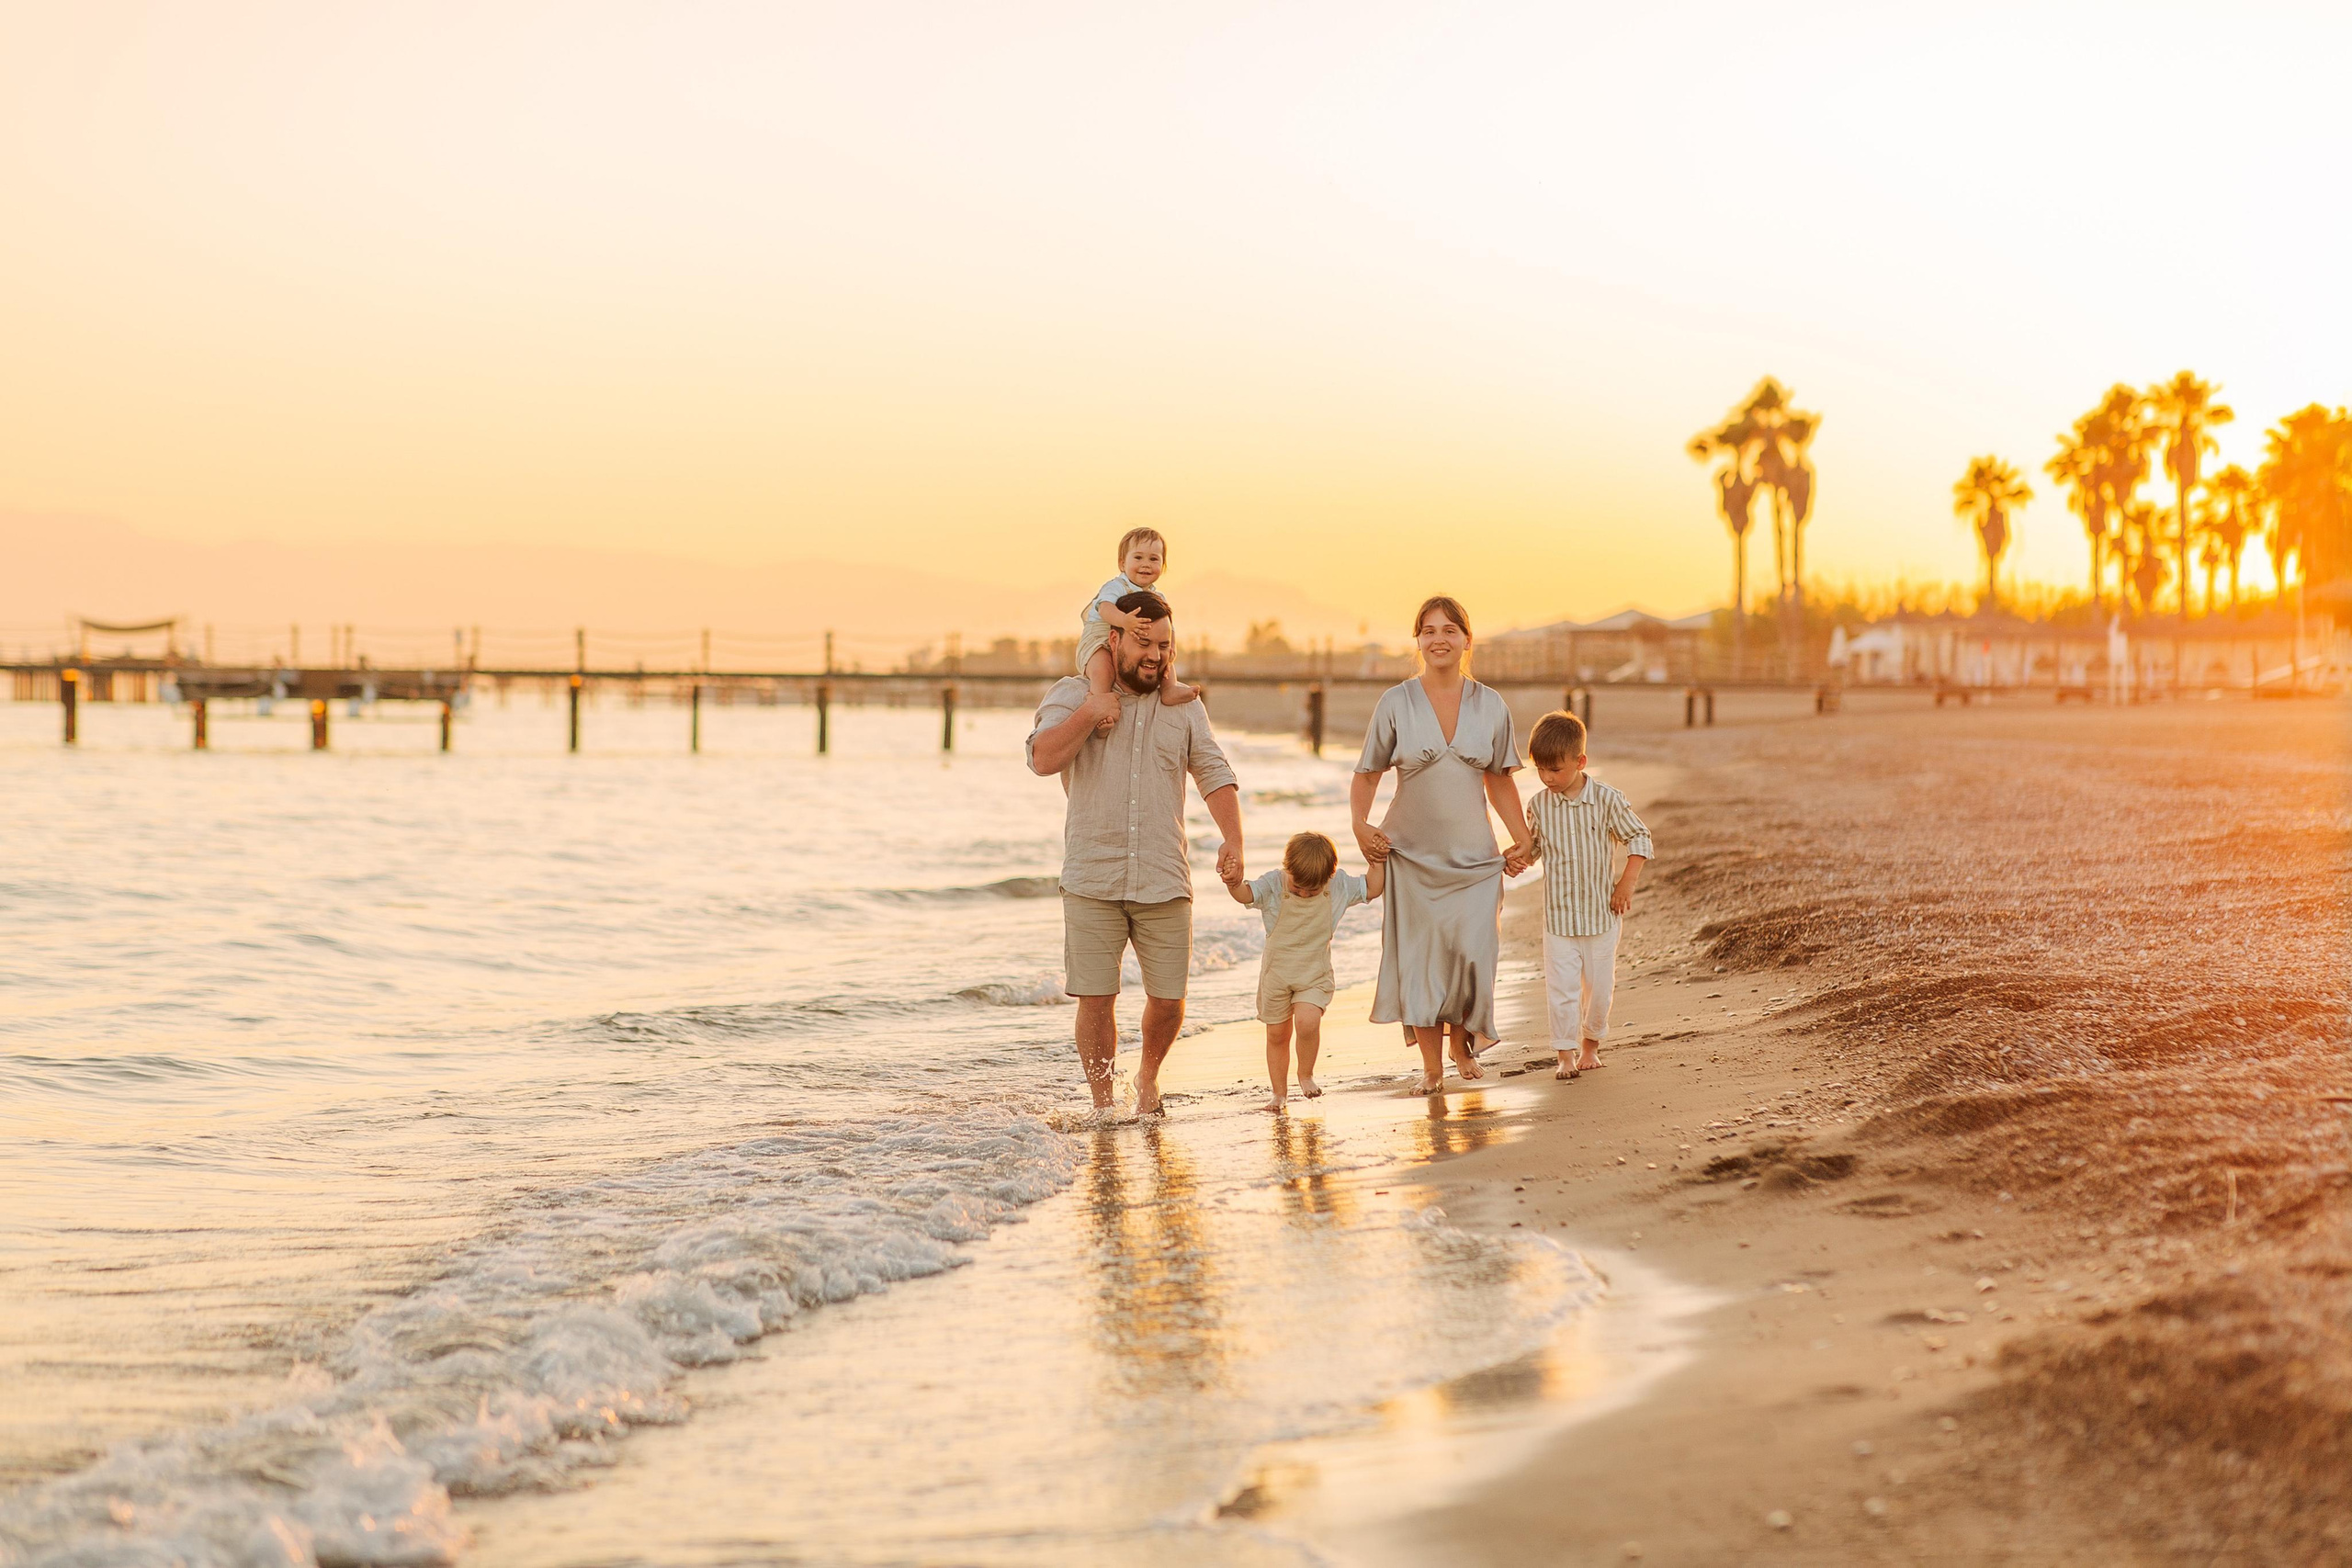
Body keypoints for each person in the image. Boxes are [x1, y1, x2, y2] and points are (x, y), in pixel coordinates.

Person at [1028, 590, 1241, 1116]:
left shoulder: (1184, 707)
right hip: (1092, 876)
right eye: (1144, 643)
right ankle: (1104, 1104)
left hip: (1163, 875)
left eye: (1164, 645)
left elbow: (1213, 770)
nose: (1155, 655)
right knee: (1096, 998)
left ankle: (1147, 1078)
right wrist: (1091, 712)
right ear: (1114, 639)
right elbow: (1041, 758)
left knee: (1168, 999)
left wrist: (1233, 838)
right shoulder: (1073, 693)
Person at [1351, 595, 1534, 1095]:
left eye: (1450, 630)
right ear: (1418, 641)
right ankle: (1433, 1066)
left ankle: (1462, 1043)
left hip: (1475, 860)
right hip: (1410, 857)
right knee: (1422, 965)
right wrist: (1360, 825)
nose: (1439, 639)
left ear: (1467, 640)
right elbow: (1367, 774)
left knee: (1474, 954)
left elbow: (1500, 779)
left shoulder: (1491, 704)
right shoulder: (1395, 702)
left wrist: (1521, 838)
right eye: (1428, 630)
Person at [1523, 710, 1653, 1079]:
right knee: (1561, 990)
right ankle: (1564, 1055)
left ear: (1580, 762)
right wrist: (1515, 859)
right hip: (1559, 920)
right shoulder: (1538, 806)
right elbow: (1533, 850)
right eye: (1540, 770)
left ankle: (1590, 1046)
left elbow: (1639, 838)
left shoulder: (1608, 799)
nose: (1547, 778)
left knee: (1599, 990)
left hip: (1602, 915)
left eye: (1555, 770)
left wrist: (1625, 884)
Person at [1222, 830, 1384, 1112]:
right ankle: (1279, 1094)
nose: (1305, 894)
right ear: (1287, 869)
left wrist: (1376, 861)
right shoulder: (1274, 884)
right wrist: (1233, 882)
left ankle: (1305, 1074)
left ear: (1329, 877)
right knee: (1277, 1035)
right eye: (1298, 888)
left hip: (1314, 975)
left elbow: (1372, 888)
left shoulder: (1338, 886)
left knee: (1308, 1023)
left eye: (1313, 890)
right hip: (1276, 976)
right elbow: (1245, 895)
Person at [1078, 527, 1196, 730]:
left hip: (1135, 640)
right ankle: (1099, 710)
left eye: (1154, 559)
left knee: (1162, 656)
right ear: (1122, 563)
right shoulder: (1116, 586)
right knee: (1103, 670)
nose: (1146, 564)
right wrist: (1124, 621)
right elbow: (1104, 608)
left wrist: (1171, 647)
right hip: (1099, 637)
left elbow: (1169, 627)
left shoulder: (1158, 598)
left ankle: (1169, 690)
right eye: (1138, 558)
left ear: (1163, 566)